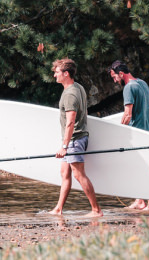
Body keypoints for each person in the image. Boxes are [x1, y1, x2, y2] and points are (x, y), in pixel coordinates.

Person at [49, 58, 103, 217]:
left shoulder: (70, 94)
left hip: (75, 139)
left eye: (57, 72)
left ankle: (96, 210)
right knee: (64, 173)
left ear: (66, 74)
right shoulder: (77, 87)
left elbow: (71, 122)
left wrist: (65, 146)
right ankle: (58, 209)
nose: (54, 75)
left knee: (79, 175)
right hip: (74, 139)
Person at [109, 60, 149, 211]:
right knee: (143, 169)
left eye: (114, 77)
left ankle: (148, 204)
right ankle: (141, 201)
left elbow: (127, 115)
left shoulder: (128, 88)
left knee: (139, 169)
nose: (115, 80)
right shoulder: (143, 83)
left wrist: (119, 131)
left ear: (121, 74)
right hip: (147, 132)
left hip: (136, 134)